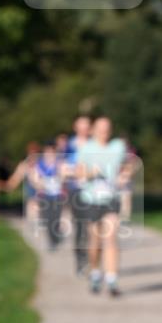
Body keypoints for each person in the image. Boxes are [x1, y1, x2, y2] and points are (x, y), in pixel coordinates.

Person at [77, 116, 130, 298]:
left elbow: (126, 166)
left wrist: (124, 175)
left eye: (107, 128)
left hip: (111, 198)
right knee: (95, 241)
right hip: (91, 199)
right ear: (94, 130)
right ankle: (95, 273)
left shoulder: (118, 147)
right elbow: (79, 171)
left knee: (111, 238)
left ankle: (112, 279)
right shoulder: (86, 148)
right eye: (101, 128)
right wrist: (93, 172)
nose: (104, 131)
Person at [62, 115, 92, 275]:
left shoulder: (96, 144)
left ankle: (93, 260)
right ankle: (81, 260)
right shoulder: (70, 146)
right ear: (75, 127)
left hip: (94, 190)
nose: (85, 127)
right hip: (76, 190)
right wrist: (75, 172)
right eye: (82, 125)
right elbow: (64, 168)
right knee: (81, 226)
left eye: (88, 125)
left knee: (94, 227)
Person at [31, 141, 65, 251]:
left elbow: (63, 177)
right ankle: (52, 242)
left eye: (52, 152)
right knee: (47, 219)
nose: (49, 154)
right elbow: (34, 179)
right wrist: (39, 184)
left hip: (57, 196)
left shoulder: (59, 164)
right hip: (44, 195)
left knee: (55, 219)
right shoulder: (39, 165)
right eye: (47, 152)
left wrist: (59, 176)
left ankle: (56, 237)